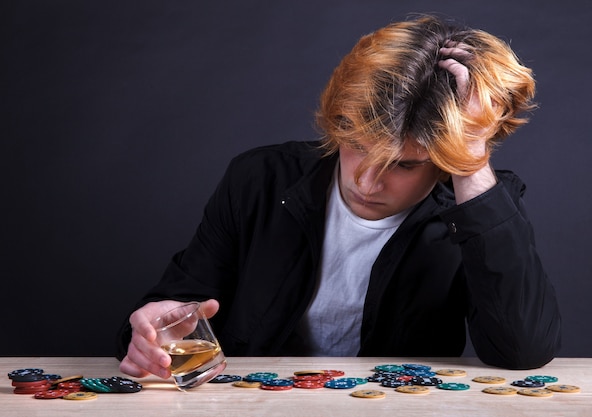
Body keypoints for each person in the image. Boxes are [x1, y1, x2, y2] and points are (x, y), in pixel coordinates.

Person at [116, 14, 561, 378]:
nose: (367, 183)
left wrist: (472, 162)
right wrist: (153, 332)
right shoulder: (260, 178)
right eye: (358, 146)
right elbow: (171, 309)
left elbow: (522, 351)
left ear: (446, 159)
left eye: (404, 164)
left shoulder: (476, 210)